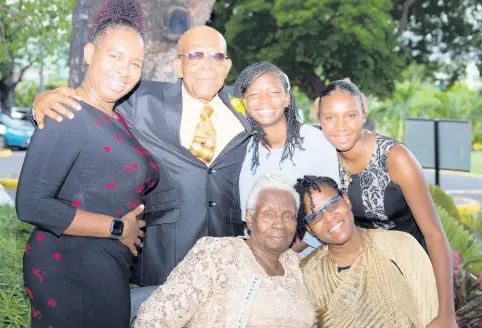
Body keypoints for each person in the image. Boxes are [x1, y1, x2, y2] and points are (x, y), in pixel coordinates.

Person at [29, 26, 252, 286]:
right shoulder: (141, 99)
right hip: (163, 257)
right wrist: (41, 104)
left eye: (216, 57)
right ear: (178, 66)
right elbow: (87, 104)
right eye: (195, 55)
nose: (206, 65)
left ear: (227, 66)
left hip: (226, 257)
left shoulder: (248, 110)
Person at [16, 1, 155, 327]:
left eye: (135, 62)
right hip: (68, 263)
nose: (124, 69)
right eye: (115, 55)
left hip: (103, 264)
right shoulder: (66, 111)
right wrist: (117, 227)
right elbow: (31, 205)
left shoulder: (118, 117)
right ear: (90, 53)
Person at [315, 80, 456, 326]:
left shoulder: (396, 158)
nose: (340, 127)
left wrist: (447, 314)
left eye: (350, 115)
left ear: (364, 115)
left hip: (412, 267)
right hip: (366, 272)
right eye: (330, 118)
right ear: (319, 121)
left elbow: (434, 234)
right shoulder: (322, 158)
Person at [134, 172, 315, 327]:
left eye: (288, 216)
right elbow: (153, 319)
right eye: (268, 214)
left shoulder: (298, 267)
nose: (279, 224)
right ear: (250, 219)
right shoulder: (216, 254)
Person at [294, 175, 439, 327]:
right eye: (315, 216)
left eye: (332, 204)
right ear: (309, 229)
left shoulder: (401, 246)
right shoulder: (308, 276)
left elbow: (430, 310)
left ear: (346, 200)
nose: (329, 217)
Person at [233, 62, 338, 254]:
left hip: (309, 256)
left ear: (287, 98)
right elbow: (247, 217)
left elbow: (330, 209)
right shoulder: (242, 149)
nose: (264, 100)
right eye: (254, 94)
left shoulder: (317, 142)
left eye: (273, 92)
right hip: (256, 257)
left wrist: (286, 255)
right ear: (245, 103)